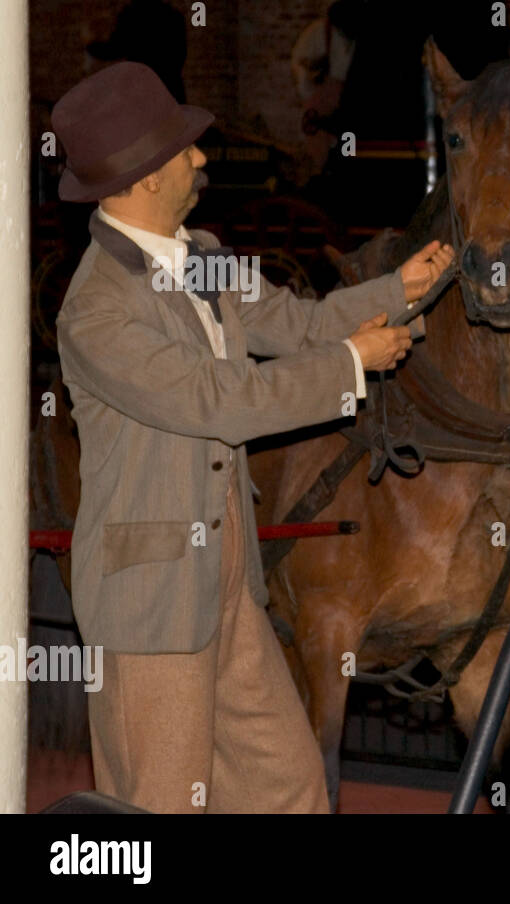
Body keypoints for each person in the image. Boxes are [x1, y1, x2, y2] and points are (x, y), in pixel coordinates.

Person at [52, 62, 453, 813]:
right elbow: (220, 400)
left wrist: (401, 290)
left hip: (230, 583)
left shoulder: (199, 254)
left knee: (289, 787)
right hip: (152, 601)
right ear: (140, 178)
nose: (201, 160)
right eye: (182, 152)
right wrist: (349, 365)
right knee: (160, 805)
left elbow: (291, 323)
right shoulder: (98, 312)